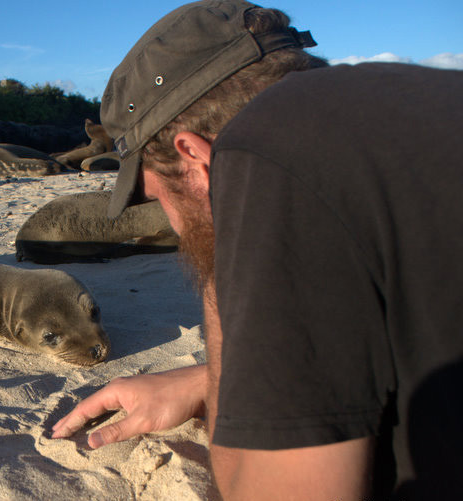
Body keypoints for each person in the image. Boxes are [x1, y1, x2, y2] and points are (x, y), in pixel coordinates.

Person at [51, 1, 463, 499]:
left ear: (195, 157)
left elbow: (271, 490)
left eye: (158, 198)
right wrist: (209, 380)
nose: (177, 230)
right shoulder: (404, 106)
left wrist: (217, 268)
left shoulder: (263, 154)